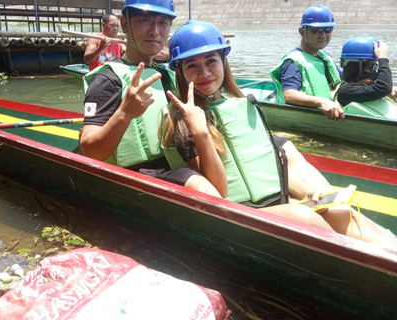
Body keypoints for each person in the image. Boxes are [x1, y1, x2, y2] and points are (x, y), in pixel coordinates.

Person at [160, 19, 396, 248]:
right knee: (303, 216)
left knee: (335, 209)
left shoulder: (243, 106)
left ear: (223, 62)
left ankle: (389, 248)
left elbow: (264, 164)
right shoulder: (180, 121)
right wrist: (200, 133)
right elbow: (218, 191)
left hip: (272, 198)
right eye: (192, 65)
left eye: (211, 61)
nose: (204, 72)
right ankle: (361, 260)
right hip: (238, 211)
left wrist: (306, 192)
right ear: (180, 72)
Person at [80, 0, 220, 196]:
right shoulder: (106, 79)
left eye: (163, 22)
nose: (155, 31)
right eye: (146, 20)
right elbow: (90, 151)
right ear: (125, 24)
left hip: (181, 163)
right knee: (198, 184)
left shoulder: (171, 75)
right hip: (138, 174)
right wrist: (125, 113)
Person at [270, 5, 345, 121]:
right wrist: (322, 101)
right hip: (307, 115)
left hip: (330, 110)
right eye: (316, 30)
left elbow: (342, 82)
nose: (323, 35)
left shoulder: (325, 57)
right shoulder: (293, 61)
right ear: (302, 32)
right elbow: (290, 95)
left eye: (328, 29)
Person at [336, 37, 397, 118]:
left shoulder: (367, 88)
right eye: (371, 66)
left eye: (375, 66)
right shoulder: (347, 91)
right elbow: (384, 88)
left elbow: (383, 89)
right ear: (355, 67)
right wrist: (383, 59)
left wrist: (391, 94)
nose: (374, 71)